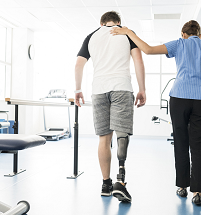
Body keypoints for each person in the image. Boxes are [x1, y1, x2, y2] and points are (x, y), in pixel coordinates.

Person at [111, 20, 201, 206]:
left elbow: (148, 50)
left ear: (183, 33)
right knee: (198, 147)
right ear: (199, 34)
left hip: (179, 99)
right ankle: (197, 192)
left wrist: (128, 32)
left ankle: (182, 186)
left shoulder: (179, 44)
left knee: (180, 143)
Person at [74, 11, 146, 203]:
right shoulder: (126, 33)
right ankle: (120, 180)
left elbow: (79, 65)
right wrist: (142, 89)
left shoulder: (91, 36)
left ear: (101, 23)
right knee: (122, 133)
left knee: (104, 139)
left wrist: (78, 89)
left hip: (99, 89)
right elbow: (138, 60)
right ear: (118, 22)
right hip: (122, 87)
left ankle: (106, 183)